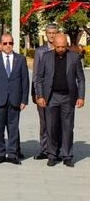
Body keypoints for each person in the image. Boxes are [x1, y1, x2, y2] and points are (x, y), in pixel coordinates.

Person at [34, 33, 85, 168]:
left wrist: (81, 97)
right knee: (51, 127)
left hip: (68, 97)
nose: (61, 49)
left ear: (67, 45)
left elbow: (81, 79)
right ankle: (52, 155)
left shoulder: (74, 57)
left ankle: (67, 155)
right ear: (54, 45)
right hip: (51, 97)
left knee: (68, 127)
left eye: (64, 46)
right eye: (58, 47)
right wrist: (40, 96)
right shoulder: (46, 57)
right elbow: (39, 78)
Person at [0, 33, 29, 165]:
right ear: (1, 44)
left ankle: (12, 153)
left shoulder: (20, 59)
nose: (8, 46)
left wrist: (24, 100)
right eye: (5, 43)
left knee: (13, 128)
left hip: (15, 99)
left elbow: (25, 81)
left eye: (10, 43)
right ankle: (0, 153)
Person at [32, 23, 61, 160]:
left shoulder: (62, 50)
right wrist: (36, 94)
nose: (51, 35)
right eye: (49, 32)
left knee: (57, 122)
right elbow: (36, 74)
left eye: (54, 33)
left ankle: (56, 149)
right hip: (43, 93)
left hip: (58, 93)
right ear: (46, 34)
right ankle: (44, 149)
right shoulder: (40, 51)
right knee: (44, 122)